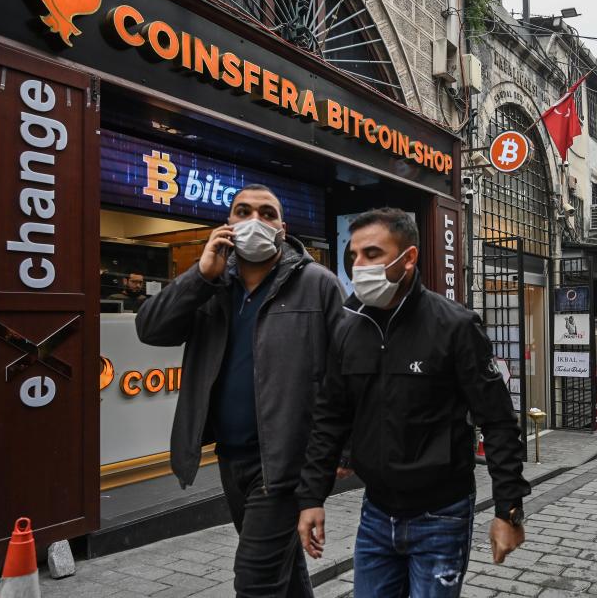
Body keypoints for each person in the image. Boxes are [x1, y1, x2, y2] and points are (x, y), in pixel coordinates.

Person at [295, 208, 531, 597]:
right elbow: (330, 418)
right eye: (353, 256)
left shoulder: (454, 325)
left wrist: (508, 510)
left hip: (441, 514)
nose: (359, 265)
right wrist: (311, 497)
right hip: (375, 512)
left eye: (372, 254)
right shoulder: (348, 327)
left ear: (409, 259)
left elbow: (498, 420)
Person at [136, 184, 345, 597]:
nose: (254, 221)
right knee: (282, 574)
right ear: (227, 225)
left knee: (255, 581)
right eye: (242, 211)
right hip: (230, 458)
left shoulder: (318, 284)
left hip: (287, 462)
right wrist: (199, 274)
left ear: (282, 230)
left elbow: (351, 368)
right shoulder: (211, 287)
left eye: (267, 213)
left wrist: (345, 446)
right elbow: (150, 329)